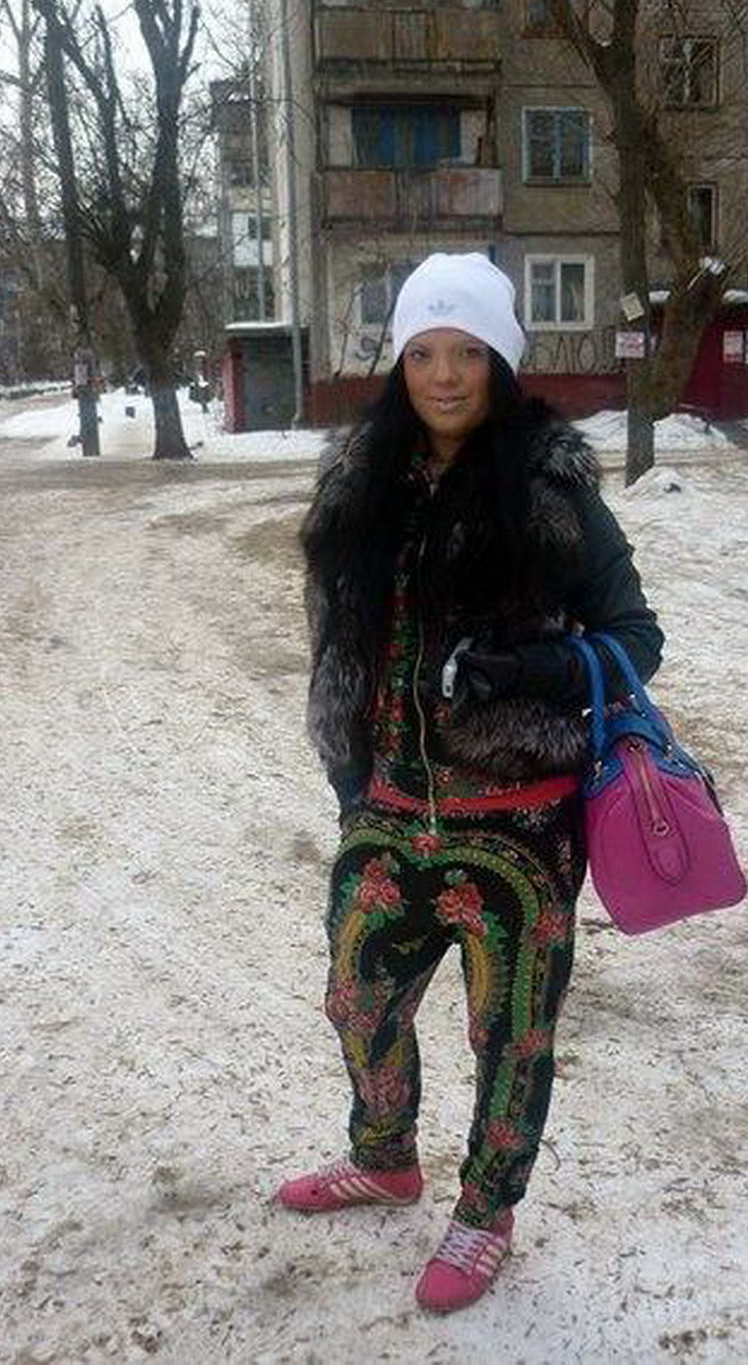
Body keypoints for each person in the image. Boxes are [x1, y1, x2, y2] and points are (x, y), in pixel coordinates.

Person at [279, 252, 664, 1313]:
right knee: (358, 997)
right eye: (422, 353)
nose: (443, 375)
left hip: (518, 828)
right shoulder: (358, 484)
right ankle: (384, 1154)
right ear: (398, 362)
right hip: (388, 810)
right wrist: (349, 773)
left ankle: (486, 1210)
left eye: (466, 352)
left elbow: (636, 636)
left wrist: (527, 667)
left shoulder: (548, 487)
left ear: (500, 359)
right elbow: (335, 643)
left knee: (512, 1034)